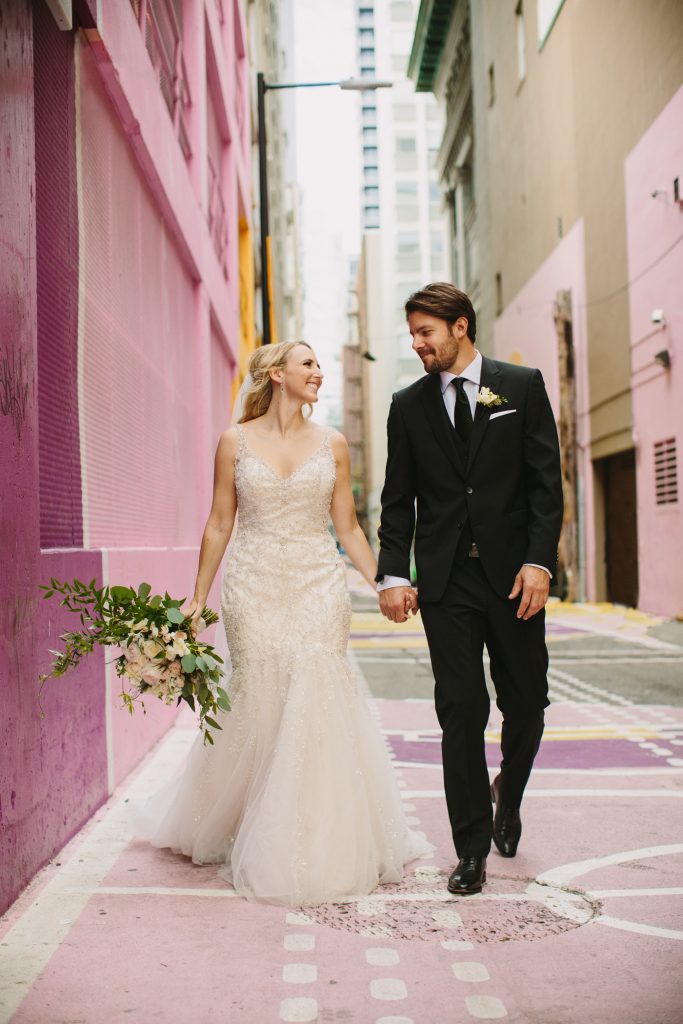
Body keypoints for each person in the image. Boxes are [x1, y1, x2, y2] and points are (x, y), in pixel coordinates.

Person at [136, 340, 429, 906]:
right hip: (252, 583)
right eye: (309, 364)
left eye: (319, 365)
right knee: (260, 693)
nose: (319, 373)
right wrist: (198, 596)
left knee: (315, 689)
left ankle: (314, 832)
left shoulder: (334, 444)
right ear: (276, 374)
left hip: (318, 582)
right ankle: (246, 817)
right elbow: (221, 522)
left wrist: (386, 581)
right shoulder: (234, 443)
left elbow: (346, 528)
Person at [376, 283, 563, 896]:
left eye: (425, 331)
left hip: (514, 580)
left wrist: (539, 563)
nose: (416, 343)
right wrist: (395, 572)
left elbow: (545, 488)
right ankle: (471, 848)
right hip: (447, 582)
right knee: (460, 709)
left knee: (527, 703)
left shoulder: (521, 385)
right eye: (412, 333)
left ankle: (508, 792)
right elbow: (397, 498)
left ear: (460, 327)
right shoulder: (407, 406)